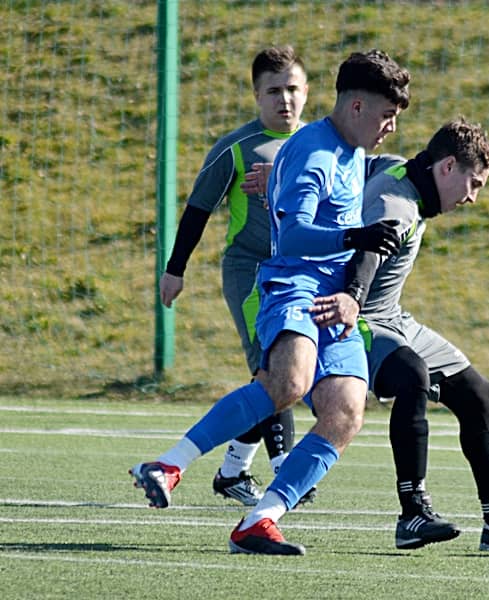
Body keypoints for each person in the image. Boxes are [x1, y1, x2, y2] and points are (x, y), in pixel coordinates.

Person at [131, 49, 411, 556]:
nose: (391, 126)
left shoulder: (352, 149)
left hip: (335, 297)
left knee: (346, 412)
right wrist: (357, 235)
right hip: (294, 283)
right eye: (387, 115)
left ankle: (260, 520)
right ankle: (169, 464)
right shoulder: (315, 153)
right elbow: (296, 236)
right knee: (288, 381)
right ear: (356, 107)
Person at [310, 117, 489, 552]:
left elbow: (351, 165)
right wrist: (353, 298)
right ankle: (412, 512)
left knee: (478, 394)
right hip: (354, 318)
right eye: (473, 183)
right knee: (411, 375)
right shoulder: (398, 206)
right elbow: (368, 253)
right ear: (447, 167)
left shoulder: (397, 168)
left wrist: (284, 169)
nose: (472, 197)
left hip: (392, 317)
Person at [158, 46, 309, 506]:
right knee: (273, 366)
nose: (285, 99)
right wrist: (175, 270)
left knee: (285, 377)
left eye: (293, 89)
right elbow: (198, 209)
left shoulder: (317, 145)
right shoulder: (236, 147)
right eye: (274, 91)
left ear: (307, 91)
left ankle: (233, 471)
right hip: (251, 274)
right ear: (257, 96)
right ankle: (287, 470)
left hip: (300, 277)